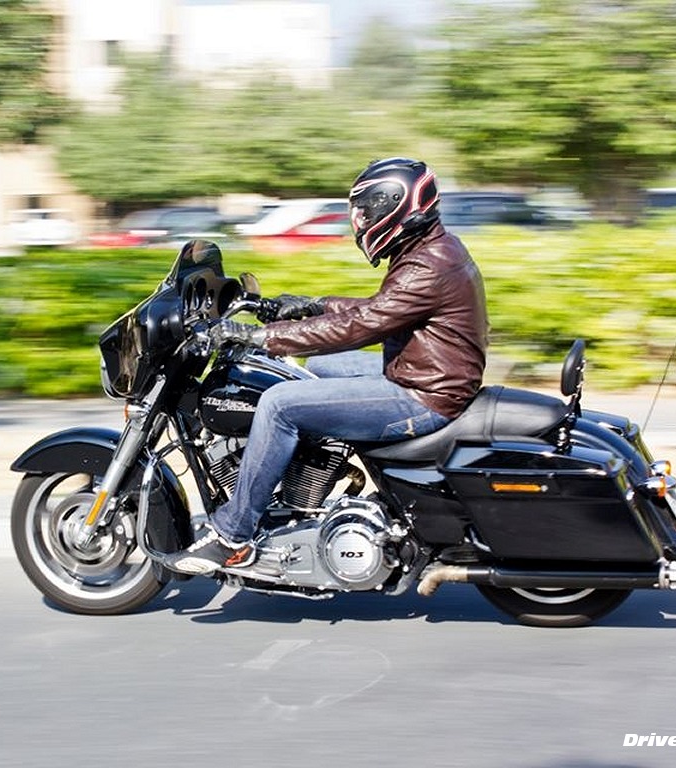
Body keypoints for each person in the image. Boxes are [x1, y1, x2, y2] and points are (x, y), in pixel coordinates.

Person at [163, 157, 489, 574]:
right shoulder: (432, 248)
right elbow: (380, 309)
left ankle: (233, 536)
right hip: (425, 372)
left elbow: (364, 325)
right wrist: (307, 306)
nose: (359, 220)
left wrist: (259, 337)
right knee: (317, 366)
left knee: (280, 404)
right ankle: (306, 483)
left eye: (365, 209)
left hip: (423, 395)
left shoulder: (427, 264)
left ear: (394, 204)